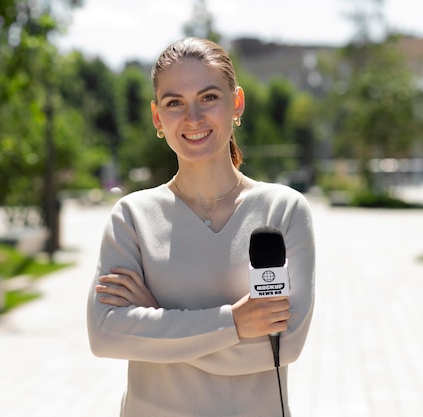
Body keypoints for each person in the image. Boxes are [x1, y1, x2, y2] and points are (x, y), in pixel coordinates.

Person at [87, 37, 315, 417]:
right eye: (174, 103)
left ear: (236, 103)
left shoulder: (283, 211)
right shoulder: (132, 217)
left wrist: (156, 320)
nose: (192, 118)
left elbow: (283, 346)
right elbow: (105, 335)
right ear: (158, 117)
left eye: (208, 97)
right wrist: (236, 323)